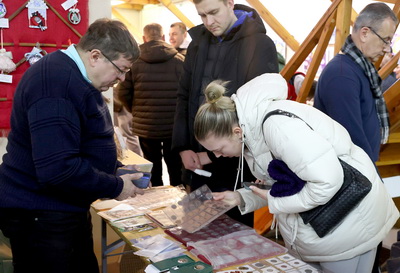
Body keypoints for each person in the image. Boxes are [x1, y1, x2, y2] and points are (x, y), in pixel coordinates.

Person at [193, 73, 399, 273]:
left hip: (349, 224)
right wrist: (240, 197)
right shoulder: (251, 136)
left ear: (236, 132)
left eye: (218, 149)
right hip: (326, 226)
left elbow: (327, 182)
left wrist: (276, 203)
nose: (218, 156)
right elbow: (283, 185)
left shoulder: (278, 127)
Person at [0, 18, 146, 273]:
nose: (122, 79)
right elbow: (58, 169)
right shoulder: (56, 85)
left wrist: (115, 169)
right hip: (42, 215)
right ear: (95, 56)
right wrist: (115, 186)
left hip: (59, 209)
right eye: (120, 69)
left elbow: (78, 144)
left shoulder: (72, 76)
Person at [172, 0, 278, 226]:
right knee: (195, 230)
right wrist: (183, 147)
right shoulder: (197, 44)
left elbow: (255, 115)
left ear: (230, 3)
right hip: (196, 159)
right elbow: (184, 96)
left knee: (233, 239)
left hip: (235, 164)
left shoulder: (259, 44)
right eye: (202, 16)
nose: (209, 22)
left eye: (213, 12)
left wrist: (211, 155)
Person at [314, 2, 398, 163]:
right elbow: (351, 144)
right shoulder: (341, 75)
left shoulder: (360, 70)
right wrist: (373, 180)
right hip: (352, 175)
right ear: (365, 33)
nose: (387, 49)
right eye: (385, 40)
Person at [116, 23, 184, 187]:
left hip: (147, 126)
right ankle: (177, 197)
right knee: (175, 165)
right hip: (172, 125)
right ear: (163, 37)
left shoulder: (134, 62)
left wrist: (137, 111)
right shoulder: (179, 60)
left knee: (152, 164)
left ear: (144, 38)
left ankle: (156, 196)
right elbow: (187, 92)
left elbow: (122, 92)